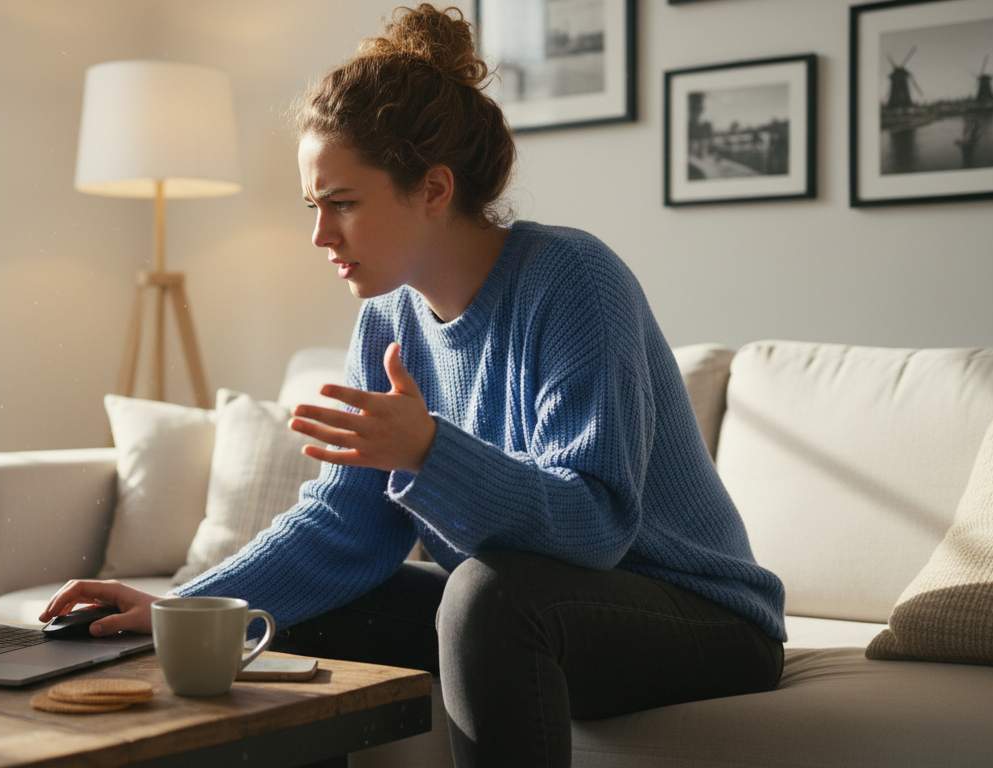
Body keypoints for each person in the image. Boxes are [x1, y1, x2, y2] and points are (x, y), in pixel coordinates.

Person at [40, 4, 786, 765]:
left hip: (702, 619)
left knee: (486, 595)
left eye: (343, 205)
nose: (320, 236)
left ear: (432, 190)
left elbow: (596, 531)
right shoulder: (386, 318)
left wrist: (430, 450)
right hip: (536, 610)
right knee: (302, 609)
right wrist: (184, 608)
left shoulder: (574, 280)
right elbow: (346, 524)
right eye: (313, 207)